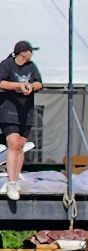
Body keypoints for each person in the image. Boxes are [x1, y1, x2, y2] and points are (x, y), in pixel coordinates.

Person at [0, 40, 43, 201]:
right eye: (31, 51)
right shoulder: (6, 65)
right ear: (24, 52)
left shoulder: (31, 66)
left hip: (26, 111)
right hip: (8, 111)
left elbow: (39, 82)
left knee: (21, 146)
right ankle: (11, 182)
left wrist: (31, 86)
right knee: (14, 143)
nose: (32, 54)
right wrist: (18, 86)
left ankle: (16, 179)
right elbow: (1, 82)